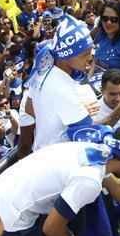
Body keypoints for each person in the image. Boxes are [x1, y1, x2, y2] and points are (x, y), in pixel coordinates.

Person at [21, 14, 105, 153]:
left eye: (91, 51)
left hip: (45, 150)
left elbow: (30, 108)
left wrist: (60, 113)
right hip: (57, 159)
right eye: (84, 54)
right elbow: (91, 135)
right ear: (67, 55)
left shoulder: (45, 70)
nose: (90, 58)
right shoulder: (62, 88)